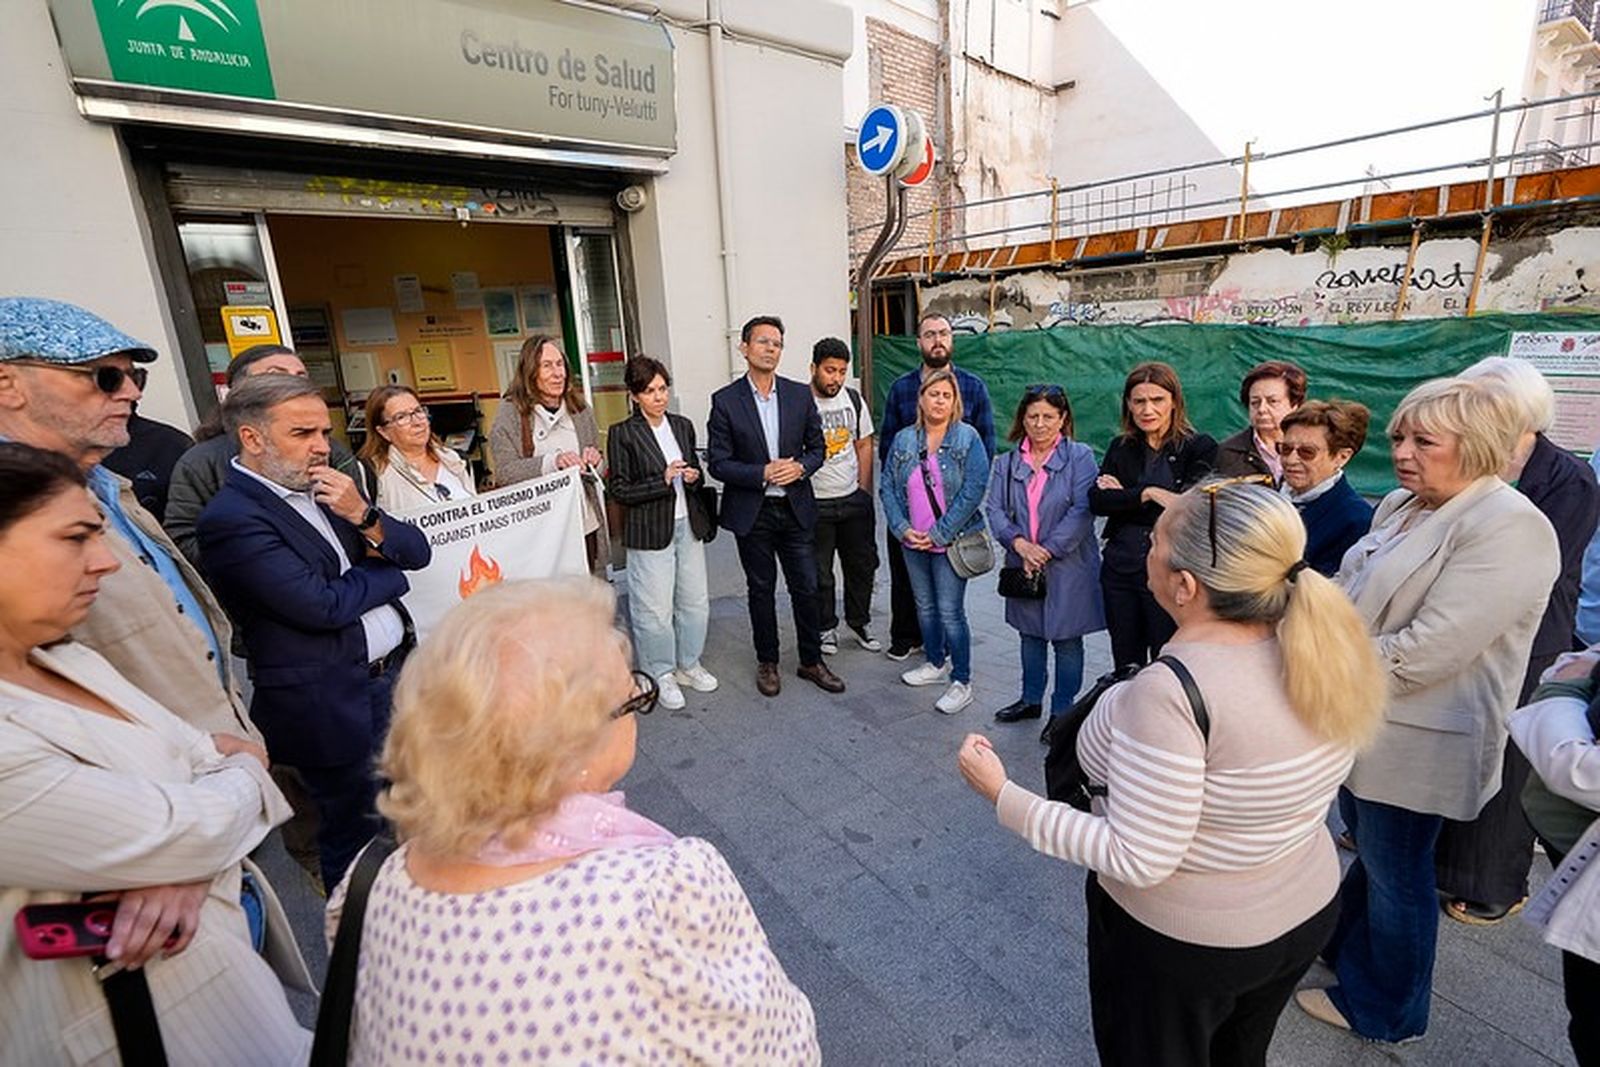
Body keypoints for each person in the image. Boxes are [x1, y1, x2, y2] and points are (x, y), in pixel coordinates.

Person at [957, 480, 1386, 1067]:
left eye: (1154, 542)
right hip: (1301, 909)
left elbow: (1140, 857)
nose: (1142, 554)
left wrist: (1003, 794)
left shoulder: (1175, 690)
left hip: (1189, 942)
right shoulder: (1320, 644)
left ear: (1184, 586)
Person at [334, 577, 821, 1066]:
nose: (636, 707)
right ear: (572, 749)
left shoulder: (370, 879)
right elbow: (784, 1050)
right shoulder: (661, 891)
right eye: (633, 701)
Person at [0, 442, 311, 1066]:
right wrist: (191, 838)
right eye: (76, 538)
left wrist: (180, 857)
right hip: (119, 1035)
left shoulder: (70, 660)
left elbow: (224, 754)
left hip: (228, 995)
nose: (106, 564)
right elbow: (190, 814)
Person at [1298, 376, 1560, 1044]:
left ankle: (1387, 1008)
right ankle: (1343, 952)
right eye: (1399, 438)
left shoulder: (1512, 525)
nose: (1404, 452)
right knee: (1378, 857)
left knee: (1400, 876)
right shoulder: (1401, 503)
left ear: (1475, 446)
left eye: (1423, 440)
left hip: (1420, 737)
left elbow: (1428, 649)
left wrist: (1310, 657)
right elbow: (1348, 588)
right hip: (1363, 721)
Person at [197, 374, 432, 891]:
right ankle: (359, 949)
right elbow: (321, 606)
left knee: (415, 809)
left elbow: (417, 551)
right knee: (357, 836)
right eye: (303, 434)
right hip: (335, 701)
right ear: (252, 438)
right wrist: (385, 574)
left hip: (395, 679)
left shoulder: (333, 489)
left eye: (325, 432)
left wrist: (363, 515)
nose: (322, 447)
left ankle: (418, 915)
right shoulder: (232, 518)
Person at [0, 297, 257, 743]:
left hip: (218, 764)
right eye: (105, 377)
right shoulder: (15, 508)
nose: (132, 392)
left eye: (135, 376)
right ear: (8, 385)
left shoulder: (106, 483)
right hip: (143, 786)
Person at [1434, 357, 1600, 925]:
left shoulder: (1569, 478)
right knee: (1467, 744)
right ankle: (1445, 861)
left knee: (1508, 760)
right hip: (1474, 621)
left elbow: (1537, 561)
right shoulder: (1476, 459)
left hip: (1533, 633)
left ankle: (1494, 885)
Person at [707, 315, 845, 698]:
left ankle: (810, 660)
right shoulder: (725, 401)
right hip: (753, 513)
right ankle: (767, 661)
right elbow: (717, 462)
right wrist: (761, 472)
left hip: (795, 508)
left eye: (778, 343)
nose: (771, 348)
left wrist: (800, 466)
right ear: (745, 348)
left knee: (808, 585)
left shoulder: (800, 395)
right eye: (764, 341)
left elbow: (818, 449)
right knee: (761, 589)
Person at [165, 344, 368, 571]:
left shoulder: (333, 451)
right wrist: (262, 561)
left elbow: (364, 517)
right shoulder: (200, 462)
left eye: (301, 376)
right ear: (238, 388)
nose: (293, 383)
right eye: (277, 374)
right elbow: (183, 541)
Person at [984, 384, 1105, 741]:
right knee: (1030, 636)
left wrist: (1046, 550)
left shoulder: (1080, 457)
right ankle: (1030, 699)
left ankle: (1062, 711)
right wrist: (1019, 544)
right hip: (1022, 563)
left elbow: (1083, 510)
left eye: (1048, 417)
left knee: (1067, 641)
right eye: (1032, 416)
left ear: (1063, 419)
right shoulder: (1007, 463)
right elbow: (994, 509)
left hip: (1068, 565)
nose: (1039, 424)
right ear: (1022, 418)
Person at [878, 312, 995, 661]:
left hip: (953, 515)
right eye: (929, 334)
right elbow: (888, 448)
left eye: (943, 333)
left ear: (952, 339)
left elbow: (984, 450)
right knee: (907, 582)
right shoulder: (901, 388)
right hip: (909, 507)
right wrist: (900, 517)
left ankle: (948, 655)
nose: (937, 340)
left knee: (947, 596)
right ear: (919, 342)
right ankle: (908, 639)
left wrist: (953, 515)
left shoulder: (973, 387)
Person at [1089, 362, 1219, 670]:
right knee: (1125, 661)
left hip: (1171, 570)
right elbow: (1097, 501)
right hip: (1120, 567)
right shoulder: (1121, 447)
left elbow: (1191, 507)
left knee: (1167, 659)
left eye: (1157, 400)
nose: (1147, 409)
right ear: (1129, 405)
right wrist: (1149, 493)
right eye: (1139, 401)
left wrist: (1127, 494)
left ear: (1174, 400)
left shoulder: (1199, 446)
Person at [606, 356, 718, 711]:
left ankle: (689, 663)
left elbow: (696, 468)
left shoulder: (683, 426)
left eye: (663, 388)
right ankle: (661, 673)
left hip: (688, 524)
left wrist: (693, 476)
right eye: (650, 391)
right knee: (653, 608)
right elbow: (620, 490)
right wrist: (663, 480)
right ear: (634, 395)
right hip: (649, 529)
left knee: (695, 601)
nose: (659, 397)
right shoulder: (623, 433)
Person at [1506, 649, 1600, 1067]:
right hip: (1577, 856)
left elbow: (1576, 767)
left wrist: (1563, 689)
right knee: (1582, 1015)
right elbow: (1576, 656)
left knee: (1590, 1025)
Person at [880, 368, 989, 715]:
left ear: (955, 400)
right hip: (912, 541)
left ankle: (962, 680)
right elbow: (887, 487)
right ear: (921, 399)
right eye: (933, 394)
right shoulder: (903, 440)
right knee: (924, 607)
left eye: (946, 395)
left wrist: (939, 533)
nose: (939, 400)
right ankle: (934, 661)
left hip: (950, 541)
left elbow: (974, 489)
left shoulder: (967, 438)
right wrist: (901, 528)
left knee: (950, 612)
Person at [488, 334, 609, 576]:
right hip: (541, 535)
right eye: (547, 366)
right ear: (530, 371)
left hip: (584, 527)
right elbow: (505, 471)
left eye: (560, 364)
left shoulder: (580, 410)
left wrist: (597, 461)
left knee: (590, 601)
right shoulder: (511, 413)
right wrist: (553, 462)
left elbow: (600, 467)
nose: (558, 373)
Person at [809, 336, 881, 655]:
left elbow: (864, 443)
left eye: (841, 371)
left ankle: (859, 622)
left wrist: (863, 491)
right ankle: (826, 627)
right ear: (814, 368)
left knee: (862, 566)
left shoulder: (853, 399)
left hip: (853, 500)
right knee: (820, 573)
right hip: (815, 504)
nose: (835, 378)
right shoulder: (800, 402)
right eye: (829, 370)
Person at [1276, 400, 1374, 577]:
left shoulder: (1356, 520)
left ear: (1342, 457)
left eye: (1307, 452)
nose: (1290, 460)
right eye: (1285, 448)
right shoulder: (1272, 498)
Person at [358, 384, 477, 512]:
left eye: (418, 411)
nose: (417, 422)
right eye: (401, 417)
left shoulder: (455, 461)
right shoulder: (374, 474)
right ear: (383, 432)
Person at [103, 391, 194, 523]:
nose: (134, 390)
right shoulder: (66, 460)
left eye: (137, 378)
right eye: (110, 380)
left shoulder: (170, 443)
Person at [1216, 360, 1307, 483]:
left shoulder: (1312, 449)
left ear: (1295, 404)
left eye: (1272, 401)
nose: (1262, 409)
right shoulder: (1227, 454)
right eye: (1255, 402)